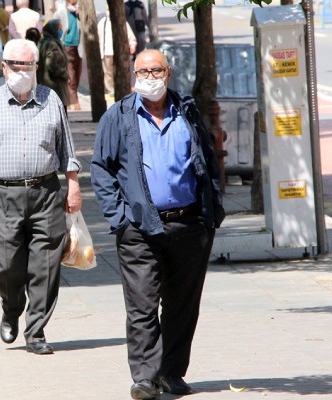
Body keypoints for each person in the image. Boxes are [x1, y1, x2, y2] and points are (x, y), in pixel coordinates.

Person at [90, 49, 226, 400]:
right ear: (133, 74)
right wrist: (119, 217)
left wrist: (212, 210)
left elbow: (207, 159)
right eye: (143, 71)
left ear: (169, 72)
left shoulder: (187, 111)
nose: (150, 77)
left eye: (156, 70)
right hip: (138, 228)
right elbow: (101, 168)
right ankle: (145, 378)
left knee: (182, 305)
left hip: (189, 224)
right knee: (142, 305)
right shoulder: (118, 116)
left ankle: (171, 373)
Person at [0, 39, 81, 356]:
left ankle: (36, 330)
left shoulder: (51, 101)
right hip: (4, 194)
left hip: (46, 192)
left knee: (46, 264)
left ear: (36, 67)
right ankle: (11, 308)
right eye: (14, 65)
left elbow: (67, 151)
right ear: (3, 67)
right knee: (7, 265)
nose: (21, 71)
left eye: (27, 65)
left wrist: (73, 187)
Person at [97, 8, 137, 96]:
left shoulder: (122, 22)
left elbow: (130, 36)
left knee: (119, 72)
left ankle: (121, 88)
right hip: (106, 51)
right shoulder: (103, 22)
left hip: (119, 52)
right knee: (108, 72)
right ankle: (111, 89)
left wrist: (132, 45)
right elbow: (97, 36)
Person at [36, 19, 69, 108]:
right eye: (59, 29)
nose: (61, 31)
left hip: (47, 86)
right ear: (53, 30)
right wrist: (65, 74)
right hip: (54, 86)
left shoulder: (44, 42)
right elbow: (52, 65)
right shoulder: (51, 44)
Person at [62, 0, 82, 111]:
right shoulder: (62, 11)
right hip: (67, 45)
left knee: (77, 72)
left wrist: (81, 14)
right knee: (71, 74)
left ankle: (69, 99)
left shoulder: (81, 10)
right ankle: (74, 100)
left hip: (79, 45)